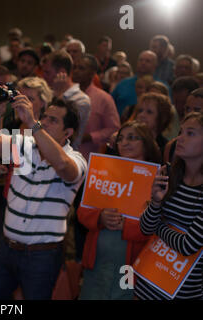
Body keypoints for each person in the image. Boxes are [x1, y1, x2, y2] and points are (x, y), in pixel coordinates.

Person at [0, 98, 87, 300]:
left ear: (68, 133)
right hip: (5, 248)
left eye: (53, 120)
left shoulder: (76, 160)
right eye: (44, 117)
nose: (45, 122)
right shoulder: (24, 144)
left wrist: (33, 124)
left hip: (42, 257)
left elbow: (63, 166)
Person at [78, 121, 161, 300]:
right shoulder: (103, 169)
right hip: (96, 263)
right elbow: (82, 213)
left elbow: (157, 228)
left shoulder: (157, 180)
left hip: (130, 266)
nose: (124, 143)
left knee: (123, 295)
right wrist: (100, 217)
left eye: (132, 138)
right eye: (121, 139)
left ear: (146, 142)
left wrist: (127, 226)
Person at [134, 112, 203, 300]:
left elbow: (187, 245)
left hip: (182, 292)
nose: (179, 138)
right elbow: (145, 228)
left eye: (190, 133)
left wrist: (159, 226)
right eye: (180, 132)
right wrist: (155, 202)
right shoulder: (170, 174)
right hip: (148, 284)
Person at [41, 50, 91, 149]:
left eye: (47, 72)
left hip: (64, 155)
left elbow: (70, 137)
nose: (44, 76)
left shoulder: (81, 100)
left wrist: (59, 96)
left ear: (62, 73)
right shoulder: (50, 93)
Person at [112, 50, 159, 116]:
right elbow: (109, 104)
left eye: (148, 61)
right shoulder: (123, 83)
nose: (143, 63)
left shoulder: (160, 86)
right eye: (141, 60)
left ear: (155, 65)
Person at [132, 92, 172, 156]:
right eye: (140, 110)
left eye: (149, 112)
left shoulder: (166, 149)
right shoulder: (127, 140)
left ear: (162, 118)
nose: (141, 115)